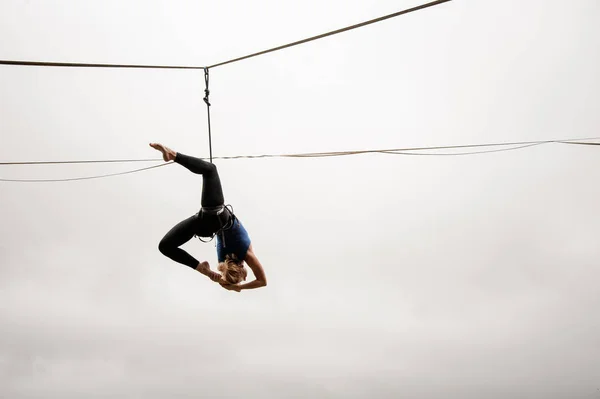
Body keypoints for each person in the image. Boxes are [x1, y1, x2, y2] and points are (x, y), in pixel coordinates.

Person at [149, 143, 267, 292]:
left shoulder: (246, 254)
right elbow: (226, 280)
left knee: (210, 170)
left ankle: (172, 155)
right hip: (203, 225)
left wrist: (239, 287)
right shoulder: (223, 260)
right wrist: (229, 284)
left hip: (215, 215)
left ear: (242, 267)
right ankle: (201, 268)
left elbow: (262, 281)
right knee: (165, 247)